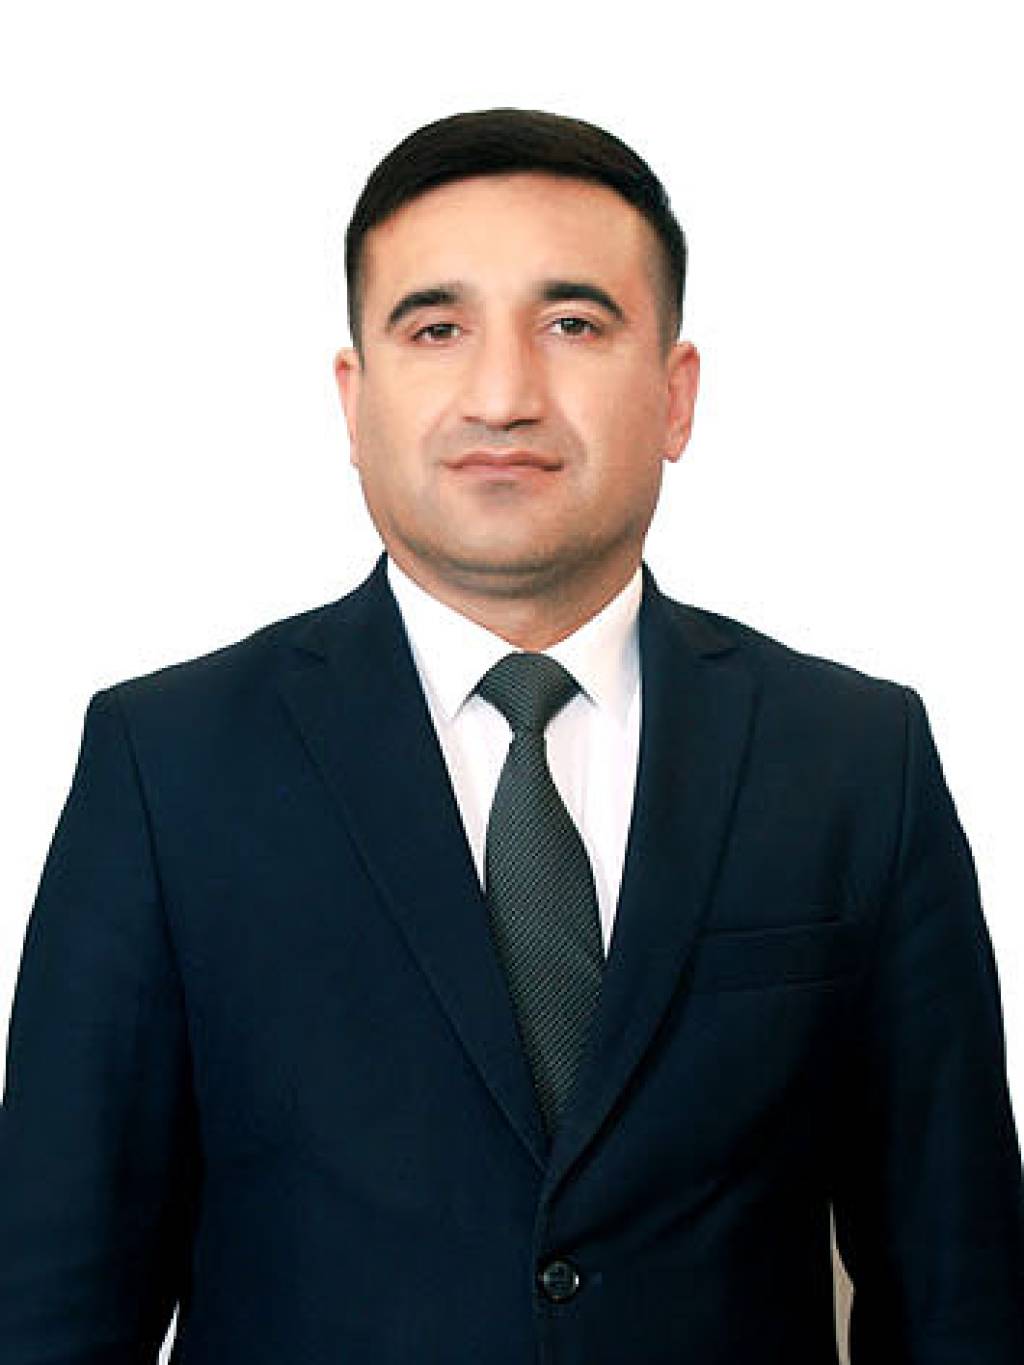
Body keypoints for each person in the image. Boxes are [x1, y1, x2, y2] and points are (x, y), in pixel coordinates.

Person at [0, 107, 1021, 1364]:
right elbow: (52, 1306)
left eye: (572, 325)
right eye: (436, 329)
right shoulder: (169, 766)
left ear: (674, 395)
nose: (502, 395)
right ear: (354, 398)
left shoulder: (855, 759)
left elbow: (962, 1295)